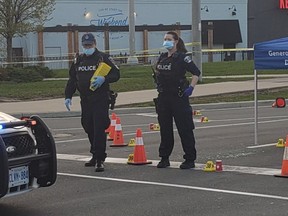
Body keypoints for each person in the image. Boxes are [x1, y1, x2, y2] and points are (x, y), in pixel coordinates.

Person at [64, 33, 120, 172]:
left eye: (89, 45)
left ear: (95, 43)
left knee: (99, 127)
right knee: (87, 125)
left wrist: (104, 79)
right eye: (85, 45)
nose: (87, 47)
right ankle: (95, 153)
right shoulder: (78, 60)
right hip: (85, 98)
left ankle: (100, 158)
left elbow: (116, 74)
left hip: (100, 98)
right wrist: (68, 96)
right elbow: (72, 79)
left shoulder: (103, 58)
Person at [153, 31, 201, 169]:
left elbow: (196, 72)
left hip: (179, 98)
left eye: (169, 39)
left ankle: (190, 159)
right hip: (164, 98)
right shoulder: (162, 58)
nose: (166, 41)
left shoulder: (182, 58)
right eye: (164, 39)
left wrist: (191, 87)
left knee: (184, 129)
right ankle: (164, 157)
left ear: (176, 41)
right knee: (165, 130)